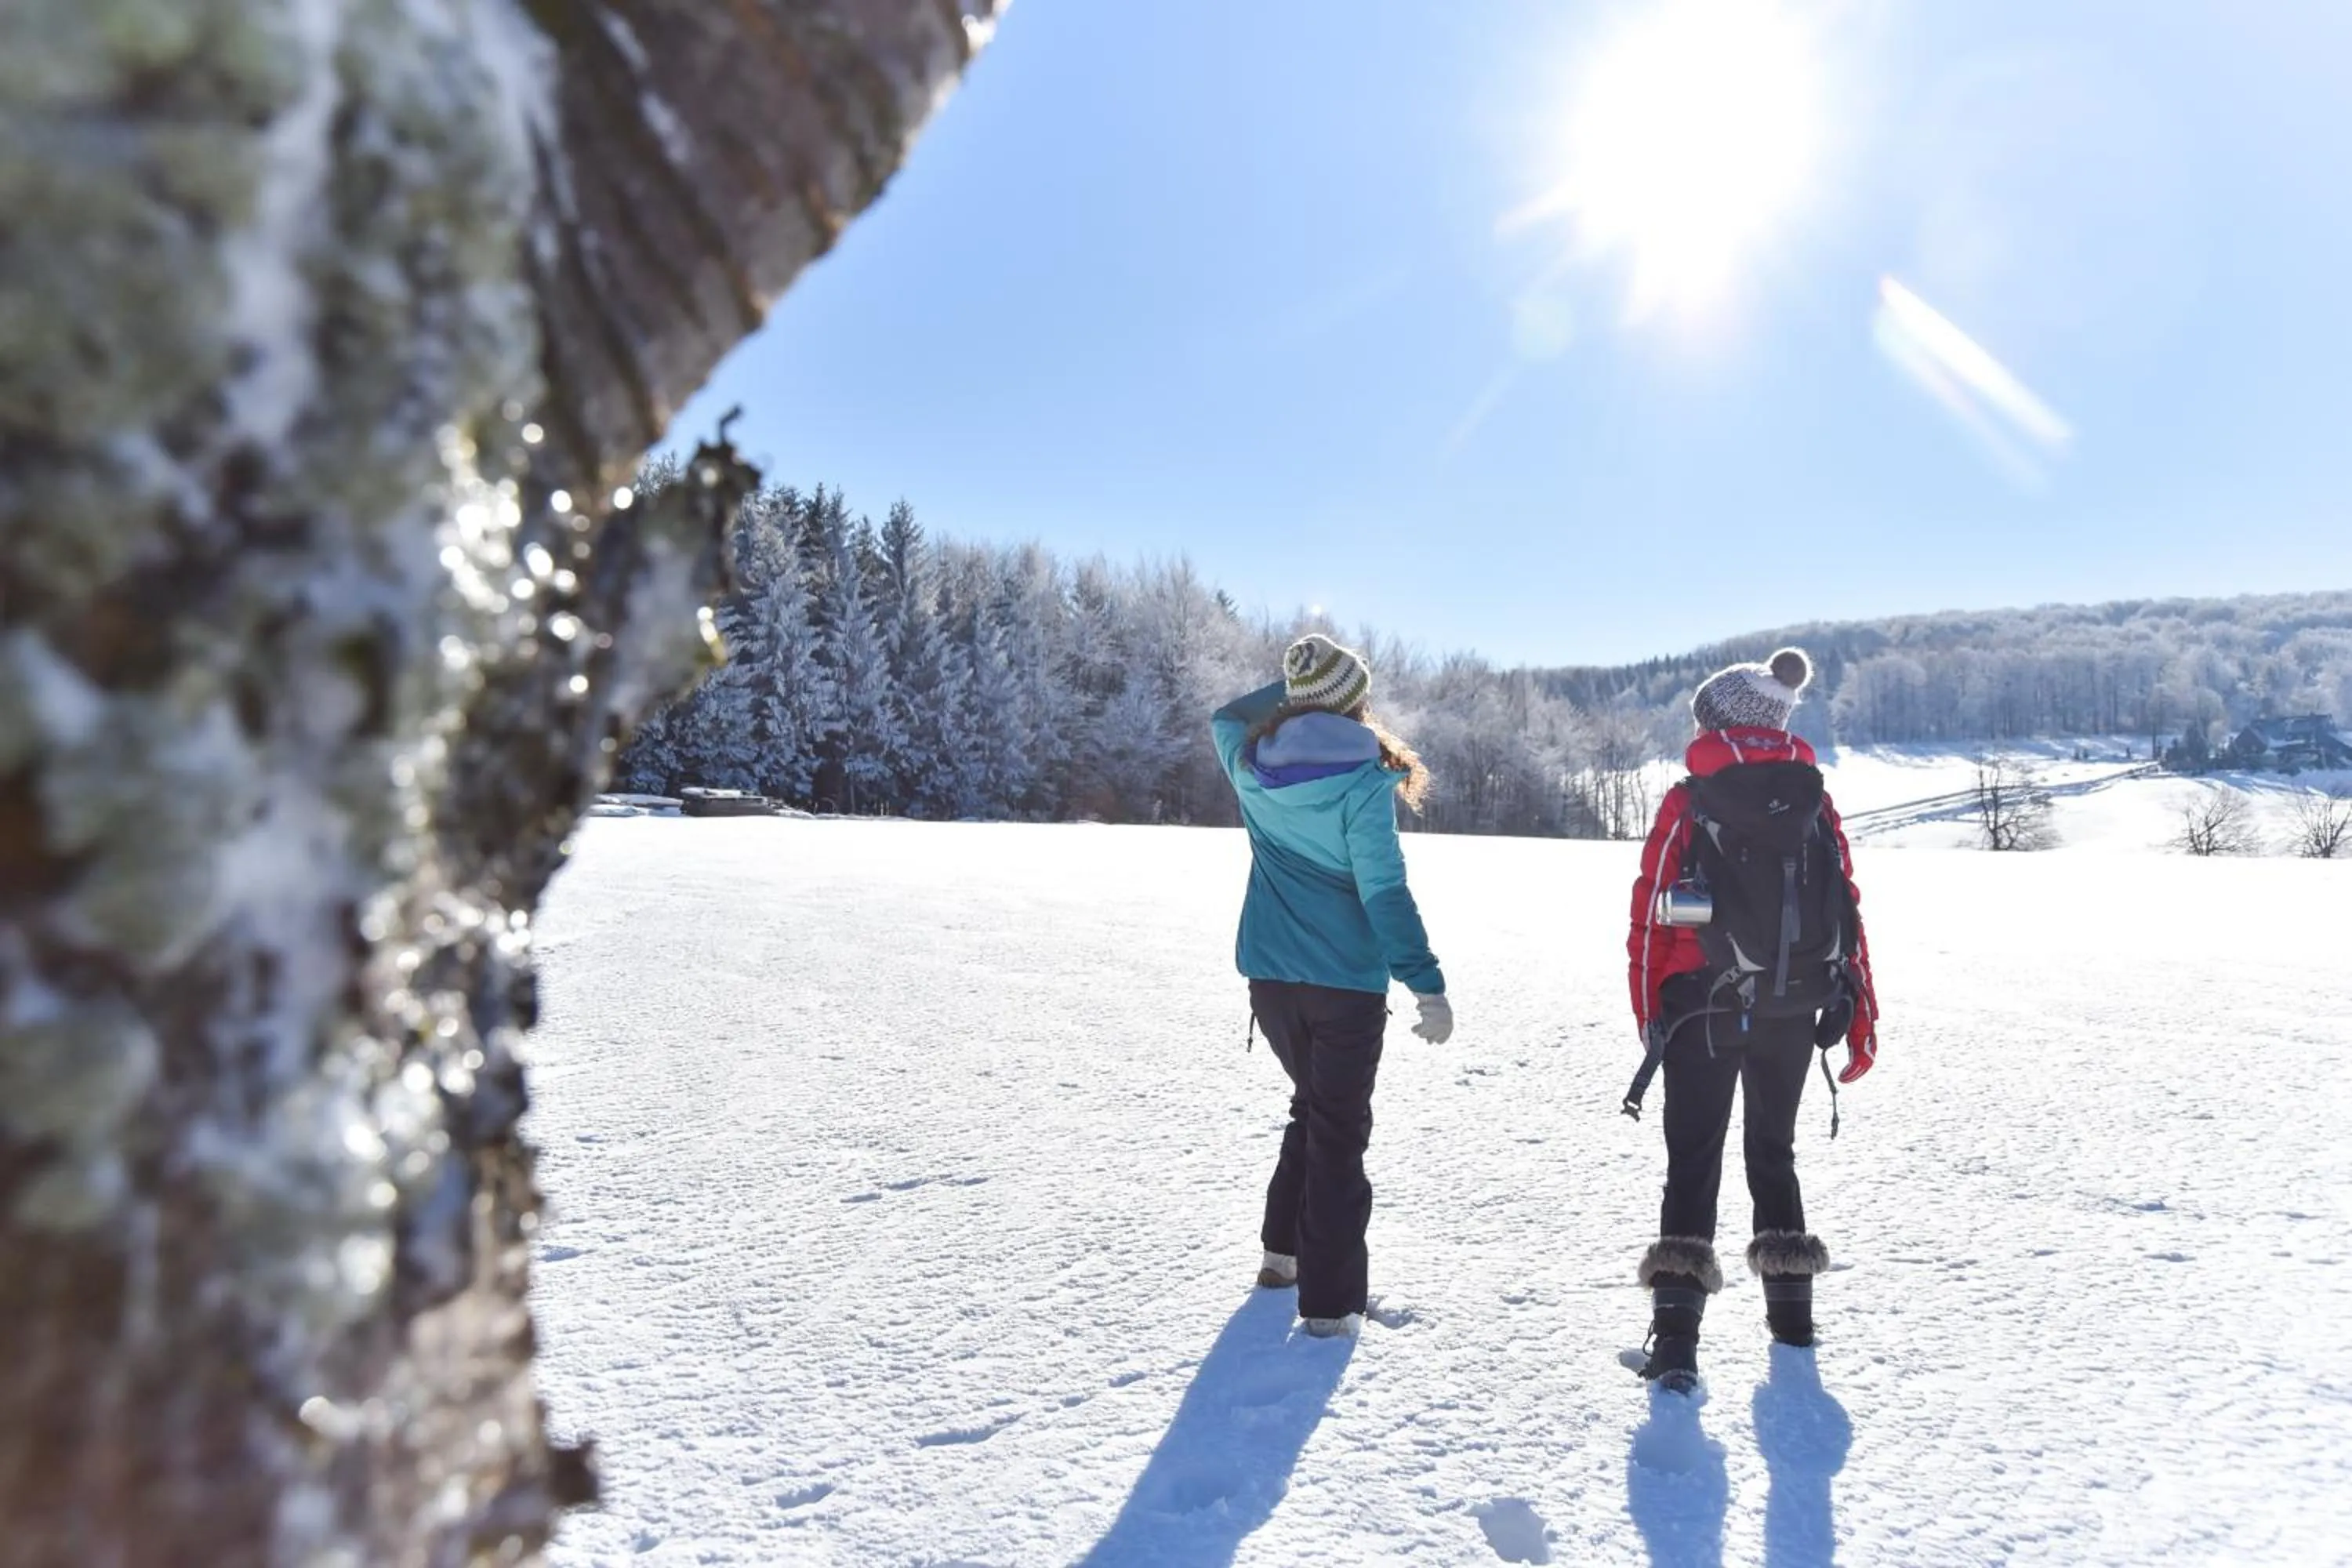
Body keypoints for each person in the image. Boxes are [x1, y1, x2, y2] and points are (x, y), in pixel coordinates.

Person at [1624, 648, 1879, 1392]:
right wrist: (1860, 1009)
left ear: (1716, 720)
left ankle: (1675, 1345)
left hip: (1701, 1005)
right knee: (1774, 1149)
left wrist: (1648, 1011)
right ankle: (1793, 1327)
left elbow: (1649, 911)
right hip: (1796, 1004)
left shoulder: (1690, 798)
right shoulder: (1815, 798)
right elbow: (1848, 909)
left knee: (1693, 1158)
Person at [1210, 634, 1452, 1339]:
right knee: (1339, 1135)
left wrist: (1297, 692)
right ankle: (1329, 1306)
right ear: (1358, 704)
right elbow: (1383, 894)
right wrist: (1426, 983)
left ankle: (1280, 1258)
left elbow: (1227, 716)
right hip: (1343, 988)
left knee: (1313, 1109)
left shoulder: (1251, 764)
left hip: (1271, 982)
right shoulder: (1360, 782)